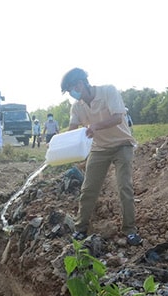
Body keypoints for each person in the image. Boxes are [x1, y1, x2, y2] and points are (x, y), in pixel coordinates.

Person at [60, 67, 142, 246]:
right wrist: (58, 144)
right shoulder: (77, 106)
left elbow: (118, 118)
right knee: (88, 189)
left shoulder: (108, 91)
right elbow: (72, 129)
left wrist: (96, 126)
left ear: (81, 84)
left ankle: (130, 230)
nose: (72, 94)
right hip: (99, 148)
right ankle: (80, 228)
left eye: (71, 89)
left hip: (122, 144)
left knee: (124, 187)